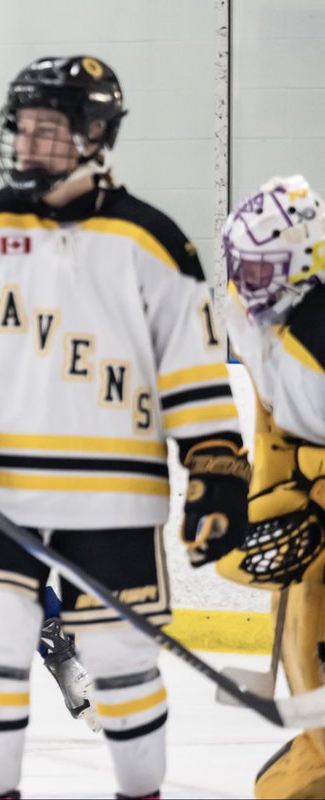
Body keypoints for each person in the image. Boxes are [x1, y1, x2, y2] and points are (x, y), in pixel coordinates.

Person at [0, 56, 248, 798]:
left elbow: (194, 369)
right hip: (0, 486)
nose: (26, 143)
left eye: (47, 128)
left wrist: (216, 470)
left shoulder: (154, 240)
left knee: (120, 659)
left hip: (113, 494)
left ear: (95, 134)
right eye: (22, 125)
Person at [217, 175, 325, 799]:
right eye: (241, 264)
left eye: (261, 267)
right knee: (303, 650)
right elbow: (273, 428)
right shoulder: (260, 320)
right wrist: (267, 503)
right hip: (312, 518)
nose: (247, 279)